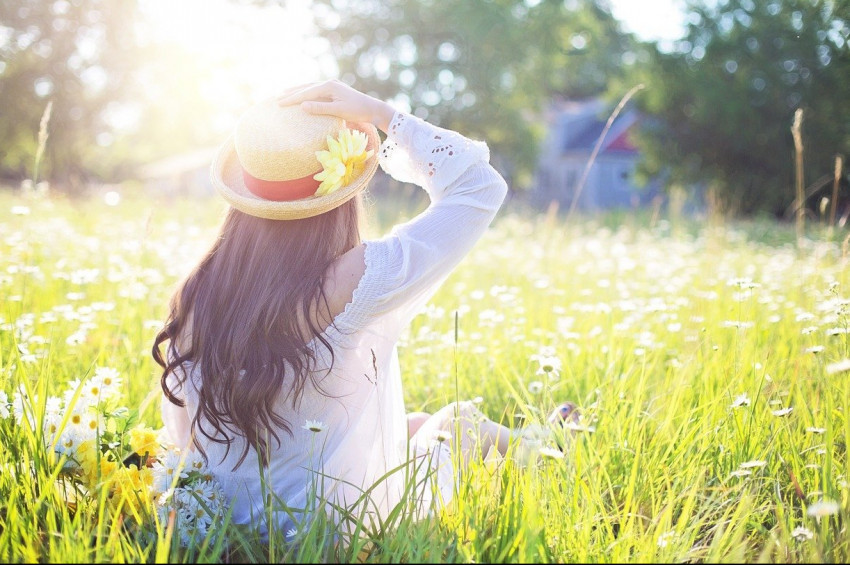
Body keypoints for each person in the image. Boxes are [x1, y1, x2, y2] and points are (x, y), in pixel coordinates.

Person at [152, 81, 576, 540]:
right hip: (331, 527)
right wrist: (382, 114)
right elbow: (479, 187)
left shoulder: (197, 290)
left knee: (411, 424)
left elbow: (184, 431)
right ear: (340, 196)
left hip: (224, 519)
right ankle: (547, 448)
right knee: (458, 422)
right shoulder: (351, 279)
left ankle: (541, 441)